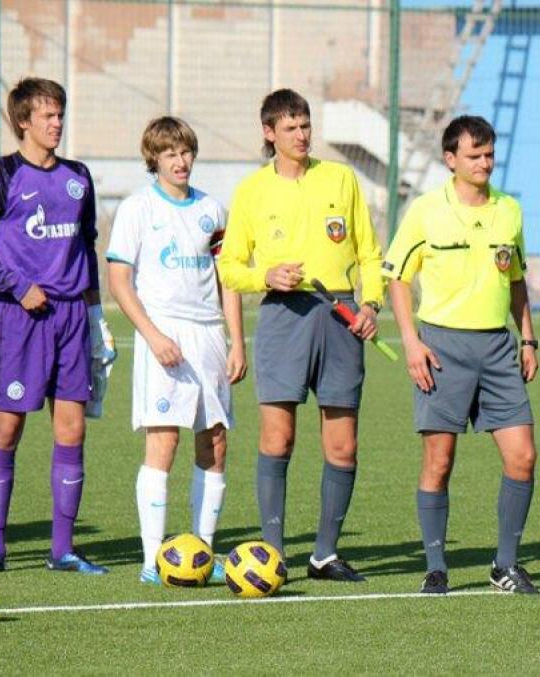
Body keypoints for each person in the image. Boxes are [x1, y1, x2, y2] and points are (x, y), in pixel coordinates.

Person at [217, 89, 383, 582]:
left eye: (306, 124)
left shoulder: (341, 178)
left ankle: (324, 555)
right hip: (283, 316)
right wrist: (265, 276)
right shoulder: (252, 190)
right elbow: (230, 266)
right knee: (278, 437)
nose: (302, 134)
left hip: (340, 316)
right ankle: (272, 556)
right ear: (269, 133)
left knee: (343, 445)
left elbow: (370, 253)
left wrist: (370, 304)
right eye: (290, 127)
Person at [385, 116, 540, 595]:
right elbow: (397, 279)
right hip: (442, 348)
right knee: (439, 461)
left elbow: (516, 280)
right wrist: (411, 342)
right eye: (475, 155)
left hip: (497, 348)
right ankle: (436, 567)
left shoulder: (509, 210)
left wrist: (528, 339)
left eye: (489, 154)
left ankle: (504, 565)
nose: (484, 163)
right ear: (450, 159)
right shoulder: (426, 210)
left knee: (523, 456)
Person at [106, 116, 246, 584]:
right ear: (154, 159)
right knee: (163, 440)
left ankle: (202, 551)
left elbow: (228, 281)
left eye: (185, 152)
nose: (180, 161)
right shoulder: (137, 208)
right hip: (163, 332)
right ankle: (152, 560)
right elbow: (119, 281)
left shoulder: (212, 210)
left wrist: (236, 340)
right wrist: (152, 335)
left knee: (216, 440)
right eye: (170, 154)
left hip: (209, 337)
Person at [0, 77, 115, 575]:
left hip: (71, 317)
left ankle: (62, 549)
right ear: (23, 121)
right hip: (18, 317)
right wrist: (18, 286)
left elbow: (87, 246)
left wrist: (96, 316)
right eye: (47, 115)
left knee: (72, 428)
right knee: (6, 427)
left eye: (60, 113)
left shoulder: (78, 177)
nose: (57, 123)